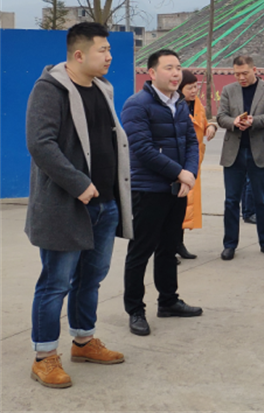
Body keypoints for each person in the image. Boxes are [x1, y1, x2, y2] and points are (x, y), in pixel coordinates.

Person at [25, 22, 132, 388]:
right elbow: (40, 144)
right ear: (79, 54)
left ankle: (83, 341)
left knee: (91, 278)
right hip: (66, 206)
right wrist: (78, 184)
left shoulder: (103, 88)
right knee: (55, 282)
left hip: (105, 204)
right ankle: (44, 356)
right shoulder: (49, 89)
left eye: (109, 49)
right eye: (103, 50)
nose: (109, 56)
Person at [121, 49, 202, 336]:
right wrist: (180, 173)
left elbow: (191, 142)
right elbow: (141, 149)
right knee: (140, 251)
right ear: (152, 73)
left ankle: (168, 301)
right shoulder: (137, 105)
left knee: (169, 248)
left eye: (178, 67)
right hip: (148, 189)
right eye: (169, 67)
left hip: (176, 189)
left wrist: (188, 175)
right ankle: (135, 310)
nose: (176, 73)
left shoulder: (179, 103)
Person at [217, 55, 264, 260]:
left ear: (254, 70)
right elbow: (221, 117)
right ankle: (229, 244)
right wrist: (234, 122)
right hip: (233, 153)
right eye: (237, 74)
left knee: (261, 199)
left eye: (244, 73)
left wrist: (253, 121)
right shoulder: (228, 90)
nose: (241, 78)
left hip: (258, 152)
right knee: (231, 201)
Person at [177, 70, 216, 261]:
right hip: (178, 163)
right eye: (189, 88)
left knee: (186, 207)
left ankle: (179, 243)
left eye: (195, 87)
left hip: (194, 162)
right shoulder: (175, 107)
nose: (194, 91)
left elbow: (205, 122)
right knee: (176, 207)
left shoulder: (196, 104)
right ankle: (168, 246)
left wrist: (211, 126)